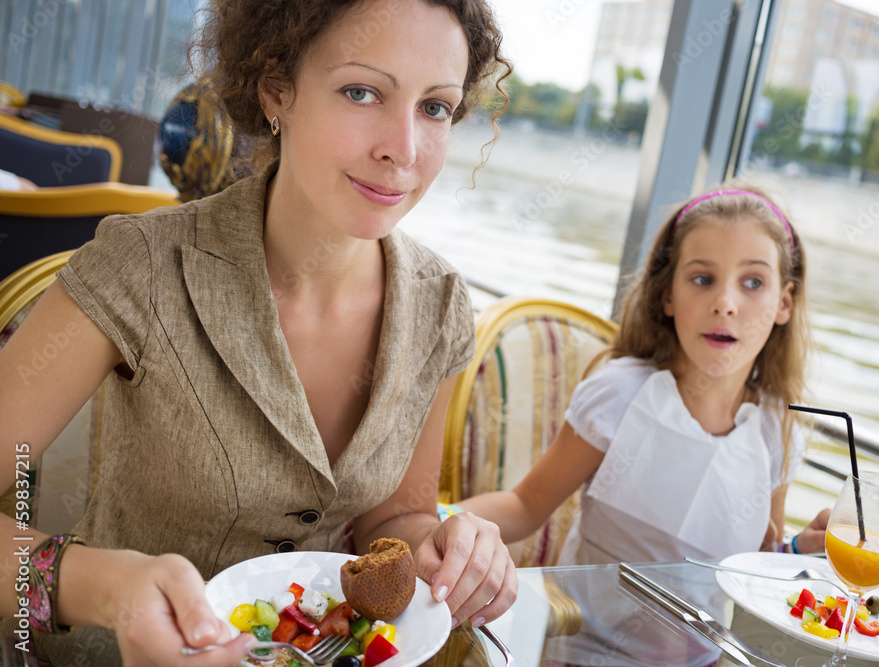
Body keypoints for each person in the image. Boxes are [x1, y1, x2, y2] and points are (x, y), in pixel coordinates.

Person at [0, 0, 516, 665]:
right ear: (277, 90)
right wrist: (106, 590)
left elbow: (394, 521)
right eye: (362, 92)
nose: (404, 150)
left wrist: (443, 546)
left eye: (436, 107)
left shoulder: (442, 304)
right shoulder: (142, 266)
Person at [461, 185, 830, 565]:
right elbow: (525, 506)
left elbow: (757, 561)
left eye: (753, 282)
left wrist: (800, 549)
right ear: (668, 294)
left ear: (784, 303)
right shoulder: (620, 393)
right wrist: (435, 525)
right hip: (587, 624)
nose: (724, 304)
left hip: (705, 629)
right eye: (703, 279)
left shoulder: (777, 430)